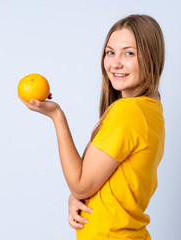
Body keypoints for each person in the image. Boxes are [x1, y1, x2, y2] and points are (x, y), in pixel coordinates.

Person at [19, 14, 165, 240]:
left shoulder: (128, 111)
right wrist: (82, 198)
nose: (115, 62)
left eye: (129, 53)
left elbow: (80, 184)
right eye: (110, 52)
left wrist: (57, 116)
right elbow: (103, 184)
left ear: (152, 57)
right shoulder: (150, 110)